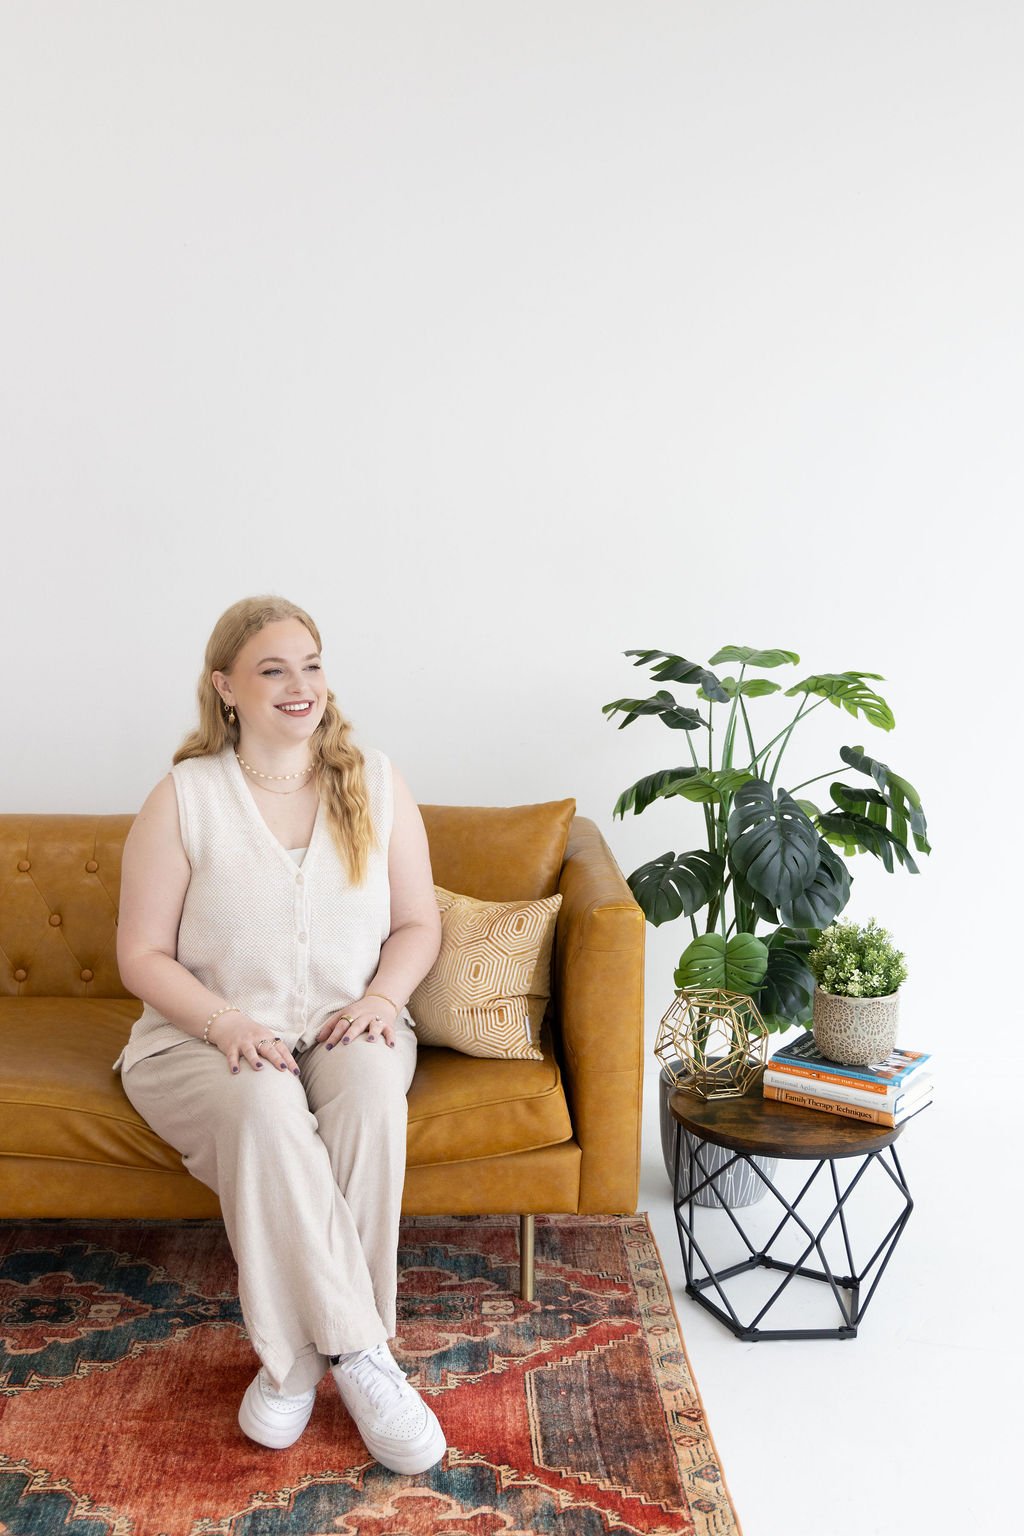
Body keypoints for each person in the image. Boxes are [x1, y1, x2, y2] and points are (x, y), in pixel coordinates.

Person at [115, 595, 445, 1473]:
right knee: (263, 1103)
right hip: (198, 1042)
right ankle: (361, 1357)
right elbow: (140, 956)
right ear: (225, 687)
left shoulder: (374, 780)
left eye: (312, 664)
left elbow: (418, 924)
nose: (300, 687)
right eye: (273, 670)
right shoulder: (185, 797)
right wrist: (223, 1020)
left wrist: (383, 996)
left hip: (347, 1025)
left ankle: (298, 1364)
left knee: (373, 1093)